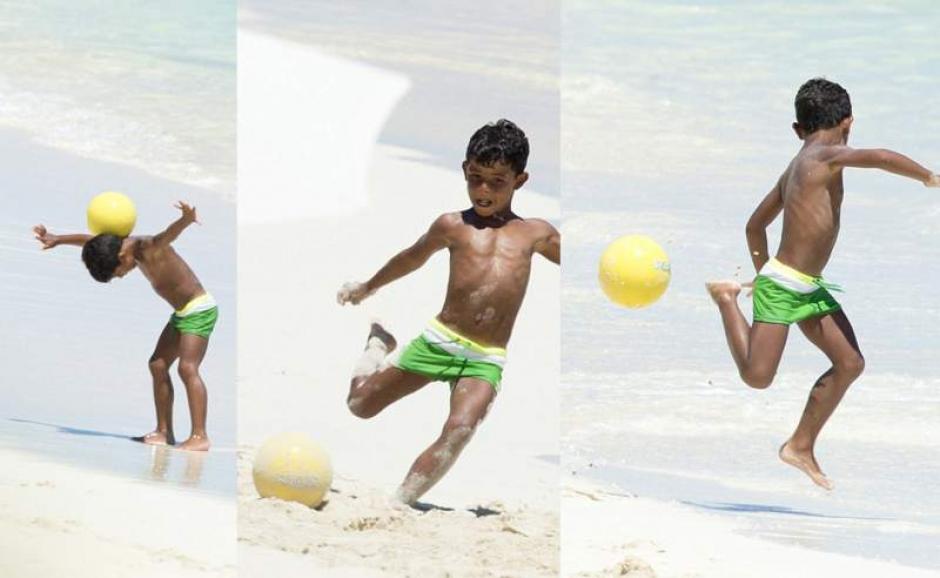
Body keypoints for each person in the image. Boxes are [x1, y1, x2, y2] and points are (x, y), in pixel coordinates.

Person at [707, 78, 939, 489]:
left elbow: (754, 226)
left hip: (805, 286)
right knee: (758, 377)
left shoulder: (795, 167)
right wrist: (929, 178)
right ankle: (727, 300)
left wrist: (762, 272)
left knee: (850, 363)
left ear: (797, 129)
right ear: (849, 123)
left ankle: (800, 445)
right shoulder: (830, 155)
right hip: (785, 285)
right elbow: (882, 157)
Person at [338, 119, 560, 505]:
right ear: (464, 170)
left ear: (519, 181)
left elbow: (589, 265)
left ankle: (399, 504)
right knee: (360, 406)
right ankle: (378, 346)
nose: (484, 190)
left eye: (497, 180)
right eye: (475, 178)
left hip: (484, 359)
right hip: (438, 342)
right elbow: (410, 259)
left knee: (460, 429)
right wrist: (367, 287)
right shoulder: (452, 226)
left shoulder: (535, 234)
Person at [34, 201, 218, 451]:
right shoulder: (117, 248)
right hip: (182, 313)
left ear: (122, 257)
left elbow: (167, 236)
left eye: (117, 272)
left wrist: (186, 220)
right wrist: (59, 239)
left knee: (187, 368)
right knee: (158, 364)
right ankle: (164, 432)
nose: (121, 276)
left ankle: (200, 436)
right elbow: (91, 240)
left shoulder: (147, 247)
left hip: (199, 308)